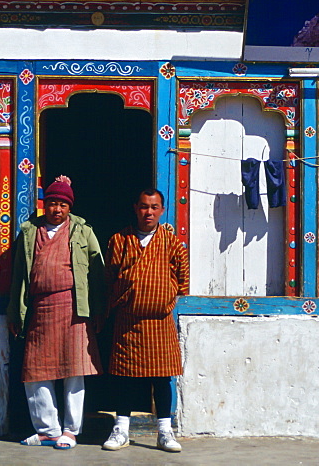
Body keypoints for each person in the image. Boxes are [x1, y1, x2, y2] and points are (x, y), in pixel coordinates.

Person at [7, 175, 106, 450]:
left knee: (74, 369)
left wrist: (98, 309)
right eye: (52, 203)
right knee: (36, 369)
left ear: (69, 207)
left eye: (62, 204)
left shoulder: (82, 230)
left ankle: (70, 431)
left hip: (74, 306)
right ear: (44, 205)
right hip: (39, 307)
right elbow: (18, 276)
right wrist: (15, 312)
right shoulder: (29, 231)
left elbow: (97, 271)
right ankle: (47, 429)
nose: (57, 210)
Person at [101, 188, 189, 453]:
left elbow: (182, 281)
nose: (148, 212)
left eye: (154, 207)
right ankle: (121, 430)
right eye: (143, 206)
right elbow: (109, 278)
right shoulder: (119, 240)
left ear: (162, 210)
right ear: (135, 208)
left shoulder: (173, 243)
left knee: (162, 378)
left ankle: (164, 431)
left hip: (160, 321)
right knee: (124, 377)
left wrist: (164, 299)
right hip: (128, 320)